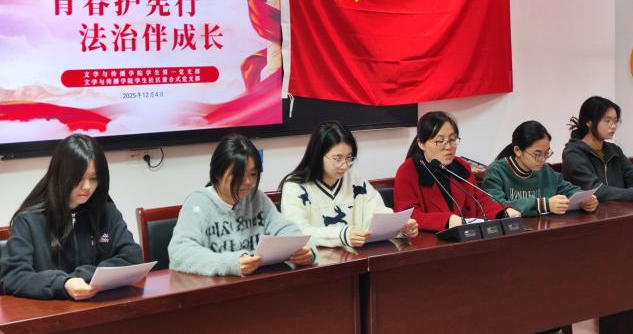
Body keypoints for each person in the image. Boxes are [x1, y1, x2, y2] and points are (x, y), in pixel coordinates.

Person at [0, 134, 143, 300]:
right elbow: (13, 277)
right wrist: (63, 284)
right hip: (50, 312)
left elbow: (133, 257)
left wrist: (82, 276)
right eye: (79, 178)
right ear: (61, 176)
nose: (87, 187)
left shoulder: (106, 210)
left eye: (94, 178)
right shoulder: (29, 220)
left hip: (100, 307)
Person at [169, 134, 314, 277]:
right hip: (216, 286)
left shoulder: (256, 197)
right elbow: (180, 252)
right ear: (218, 173)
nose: (248, 182)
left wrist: (306, 251)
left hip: (257, 283)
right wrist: (230, 263)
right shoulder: (198, 203)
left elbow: (287, 230)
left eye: (253, 174)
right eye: (239, 175)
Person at [280, 121, 418, 248]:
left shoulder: (354, 179)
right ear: (318, 155)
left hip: (356, 257)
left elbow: (377, 214)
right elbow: (296, 232)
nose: (345, 165)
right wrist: (342, 235)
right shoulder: (295, 186)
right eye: (337, 159)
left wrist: (400, 227)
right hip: (315, 261)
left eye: (349, 158)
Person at [394, 111, 519, 232]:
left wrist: (503, 212)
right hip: (430, 241)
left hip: (468, 237)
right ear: (421, 143)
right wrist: (446, 221)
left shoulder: (461, 166)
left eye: (452, 140)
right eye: (440, 141)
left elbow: (479, 201)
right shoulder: (408, 171)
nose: (448, 147)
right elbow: (407, 216)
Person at [482, 121, 598, 216]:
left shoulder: (545, 170)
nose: (542, 159)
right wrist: (544, 205)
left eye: (546, 153)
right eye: (537, 154)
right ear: (518, 150)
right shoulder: (497, 171)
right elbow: (495, 205)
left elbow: (568, 189)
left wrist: (585, 199)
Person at [562, 96, 633, 201]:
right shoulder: (573, 154)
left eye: (615, 121)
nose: (613, 126)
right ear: (589, 122)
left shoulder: (615, 150)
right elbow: (596, 191)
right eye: (607, 121)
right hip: (591, 211)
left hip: (620, 209)